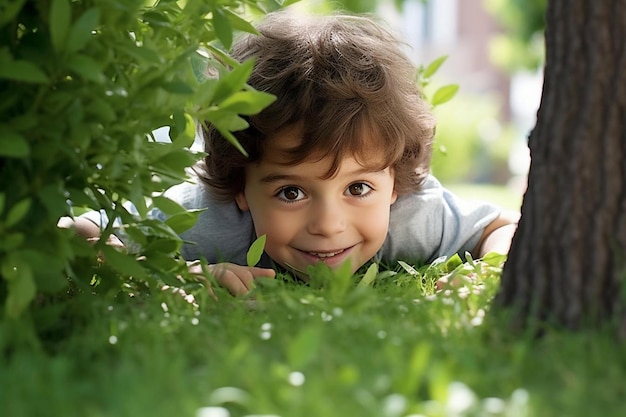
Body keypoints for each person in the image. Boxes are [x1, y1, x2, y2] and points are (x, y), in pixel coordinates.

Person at [70, 10, 519, 296]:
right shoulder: (208, 221)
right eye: (290, 193)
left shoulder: (413, 219)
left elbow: (506, 227)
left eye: (358, 187)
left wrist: (486, 272)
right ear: (241, 186)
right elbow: (75, 234)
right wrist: (175, 272)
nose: (328, 225)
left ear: (394, 187)